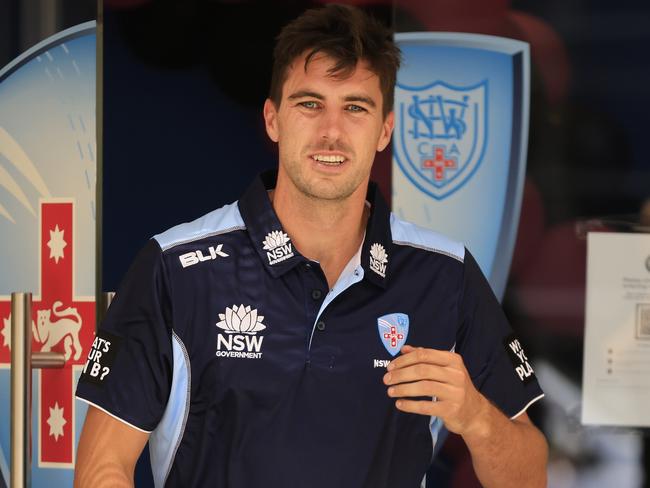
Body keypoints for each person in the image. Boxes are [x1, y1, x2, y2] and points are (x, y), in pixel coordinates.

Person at [74, 4, 547, 487]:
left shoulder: (444, 274)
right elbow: (101, 469)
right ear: (273, 119)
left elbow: (529, 477)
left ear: (385, 130)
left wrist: (475, 415)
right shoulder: (176, 267)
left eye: (355, 108)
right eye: (310, 103)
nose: (332, 132)